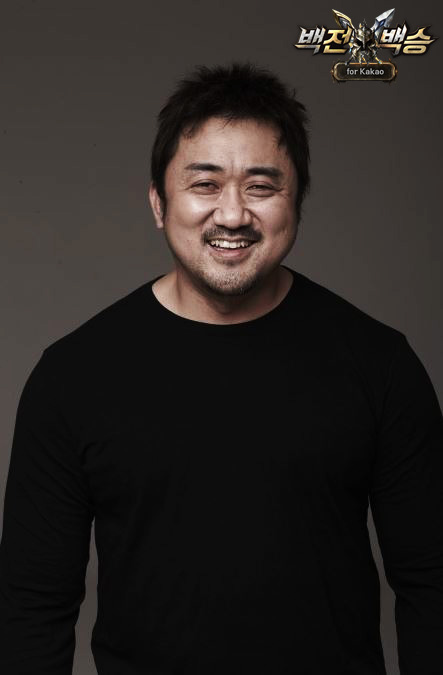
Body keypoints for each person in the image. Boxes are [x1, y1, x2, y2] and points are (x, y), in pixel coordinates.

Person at [0, 62, 442, 675]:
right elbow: (30, 610)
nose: (232, 215)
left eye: (261, 187)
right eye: (204, 184)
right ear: (159, 203)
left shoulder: (380, 365)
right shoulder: (71, 377)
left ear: (297, 202)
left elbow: (432, 582)